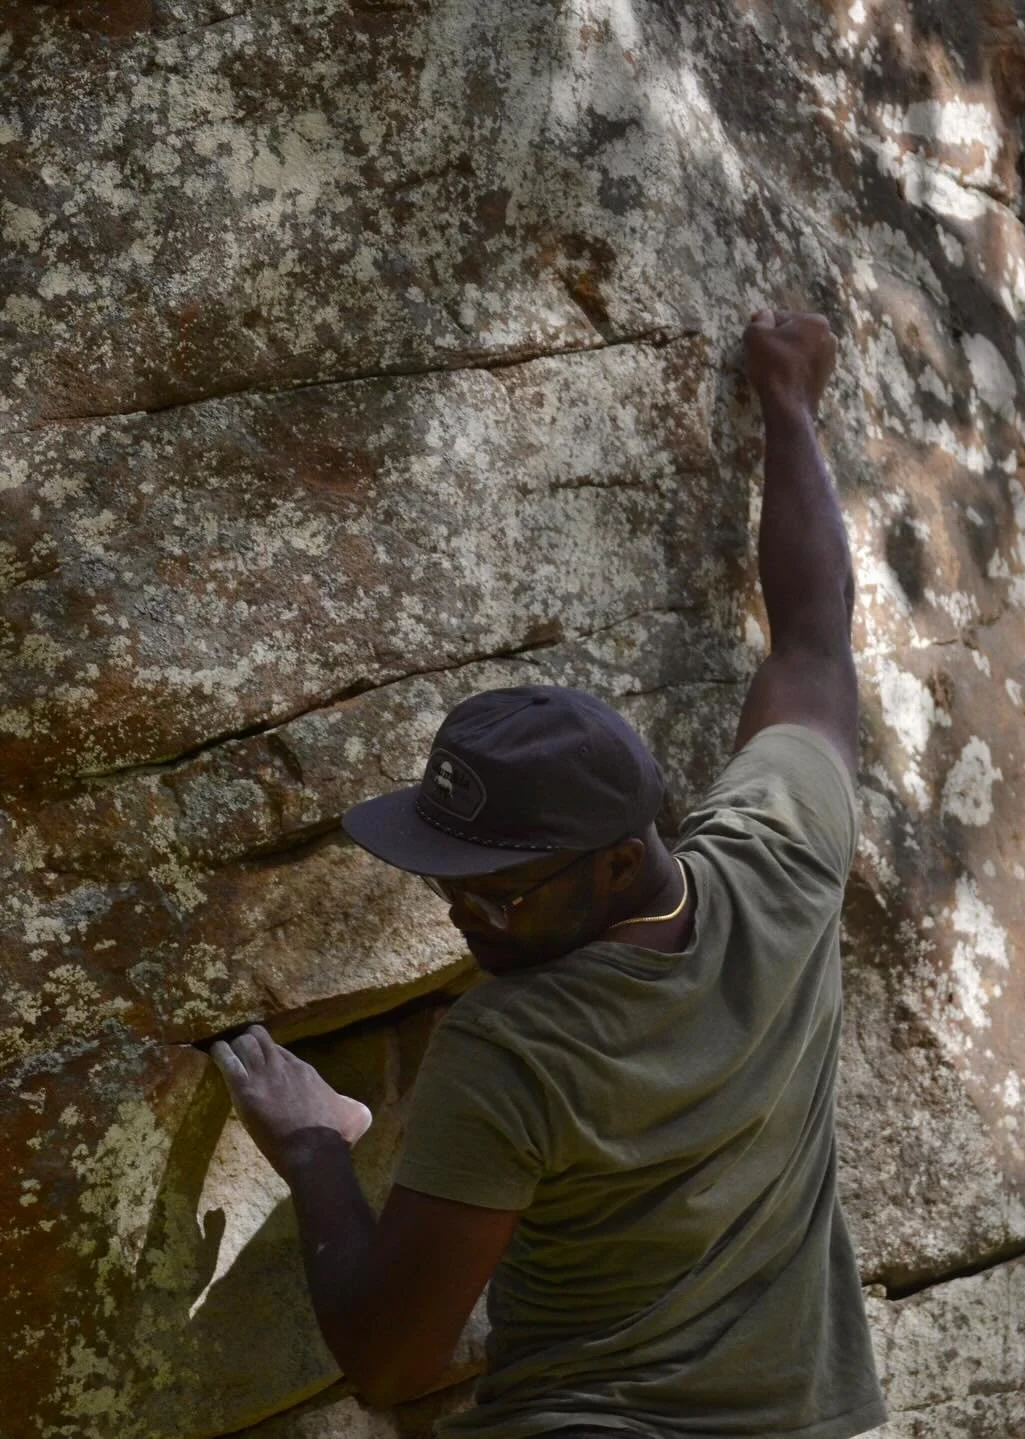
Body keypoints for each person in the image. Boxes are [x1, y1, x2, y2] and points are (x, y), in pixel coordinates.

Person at [210, 308, 887, 1439]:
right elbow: (814, 639)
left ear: (622, 859)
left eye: (497, 890)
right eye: (447, 880)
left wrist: (317, 1144)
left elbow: (391, 1353)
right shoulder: (781, 860)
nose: (462, 916)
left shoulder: (516, 1044)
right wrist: (788, 403)